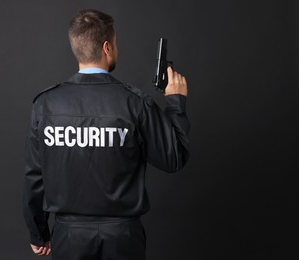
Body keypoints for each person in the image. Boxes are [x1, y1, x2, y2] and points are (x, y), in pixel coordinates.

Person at [22, 9, 190, 260]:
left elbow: (35, 176)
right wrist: (176, 103)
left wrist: (38, 232)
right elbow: (173, 158)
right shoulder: (134, 103)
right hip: (122, 238)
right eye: (116, 43)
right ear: (107, 47)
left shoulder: (45, 104)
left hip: (69, 237)